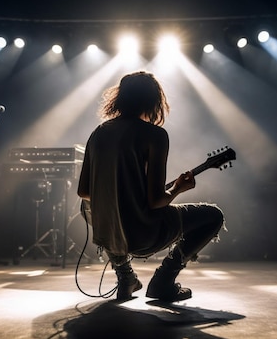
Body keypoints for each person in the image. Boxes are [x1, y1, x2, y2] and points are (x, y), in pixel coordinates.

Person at [77, 70, 226, 302]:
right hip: (145, 234)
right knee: (214, 216)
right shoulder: (155, 135)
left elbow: (84, 192)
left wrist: (119, 197)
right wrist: (178, 189)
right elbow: (157, 201)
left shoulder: (98, 133)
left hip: (113, 236)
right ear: (154, 100)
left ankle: (125, 276)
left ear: (120, 98)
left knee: (88, 207)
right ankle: (164, 281)